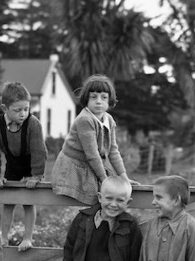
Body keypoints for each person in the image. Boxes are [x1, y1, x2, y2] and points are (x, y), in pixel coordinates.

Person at [51, 74, 133, 206]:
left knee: (110, 195)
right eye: (93, 97)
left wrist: (124, 177)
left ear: (109, 100)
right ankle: (87, 224)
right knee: (96, 198)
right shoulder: (85, 119)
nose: (99, 101)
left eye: (104, 97)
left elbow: (113, 150)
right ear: (86, 99)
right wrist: (104, 180)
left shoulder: (109, 119)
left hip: (93, 164)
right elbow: (92, 154)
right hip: (75, 167)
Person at [0, 81, 48, 251]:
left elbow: (39, 151)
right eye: (17, 110)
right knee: (9, 201)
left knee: (28, 201)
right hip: (12, 162)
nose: (23, 114)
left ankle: (27, 238)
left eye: (26, 109)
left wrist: (35, 176)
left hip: (31, 163)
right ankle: (3, 236)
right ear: (5, 109)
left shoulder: (33, 124)